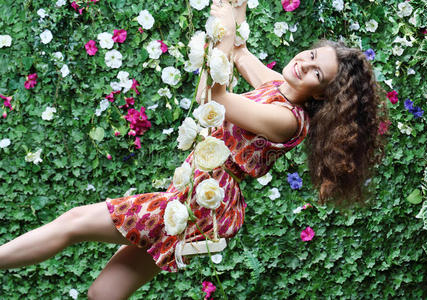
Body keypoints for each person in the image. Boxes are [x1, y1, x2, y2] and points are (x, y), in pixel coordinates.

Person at [0, 0, 387, 299]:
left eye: (317, 73)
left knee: (72, 223)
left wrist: (222, 30)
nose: (304, 64)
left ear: (322, 96)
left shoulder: (288, 120)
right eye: (313, 55)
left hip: (200, 202)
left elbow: (214, 98)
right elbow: (236, 53)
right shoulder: (278, 86)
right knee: (104, 293)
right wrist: (232, 12)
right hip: (196, 198)